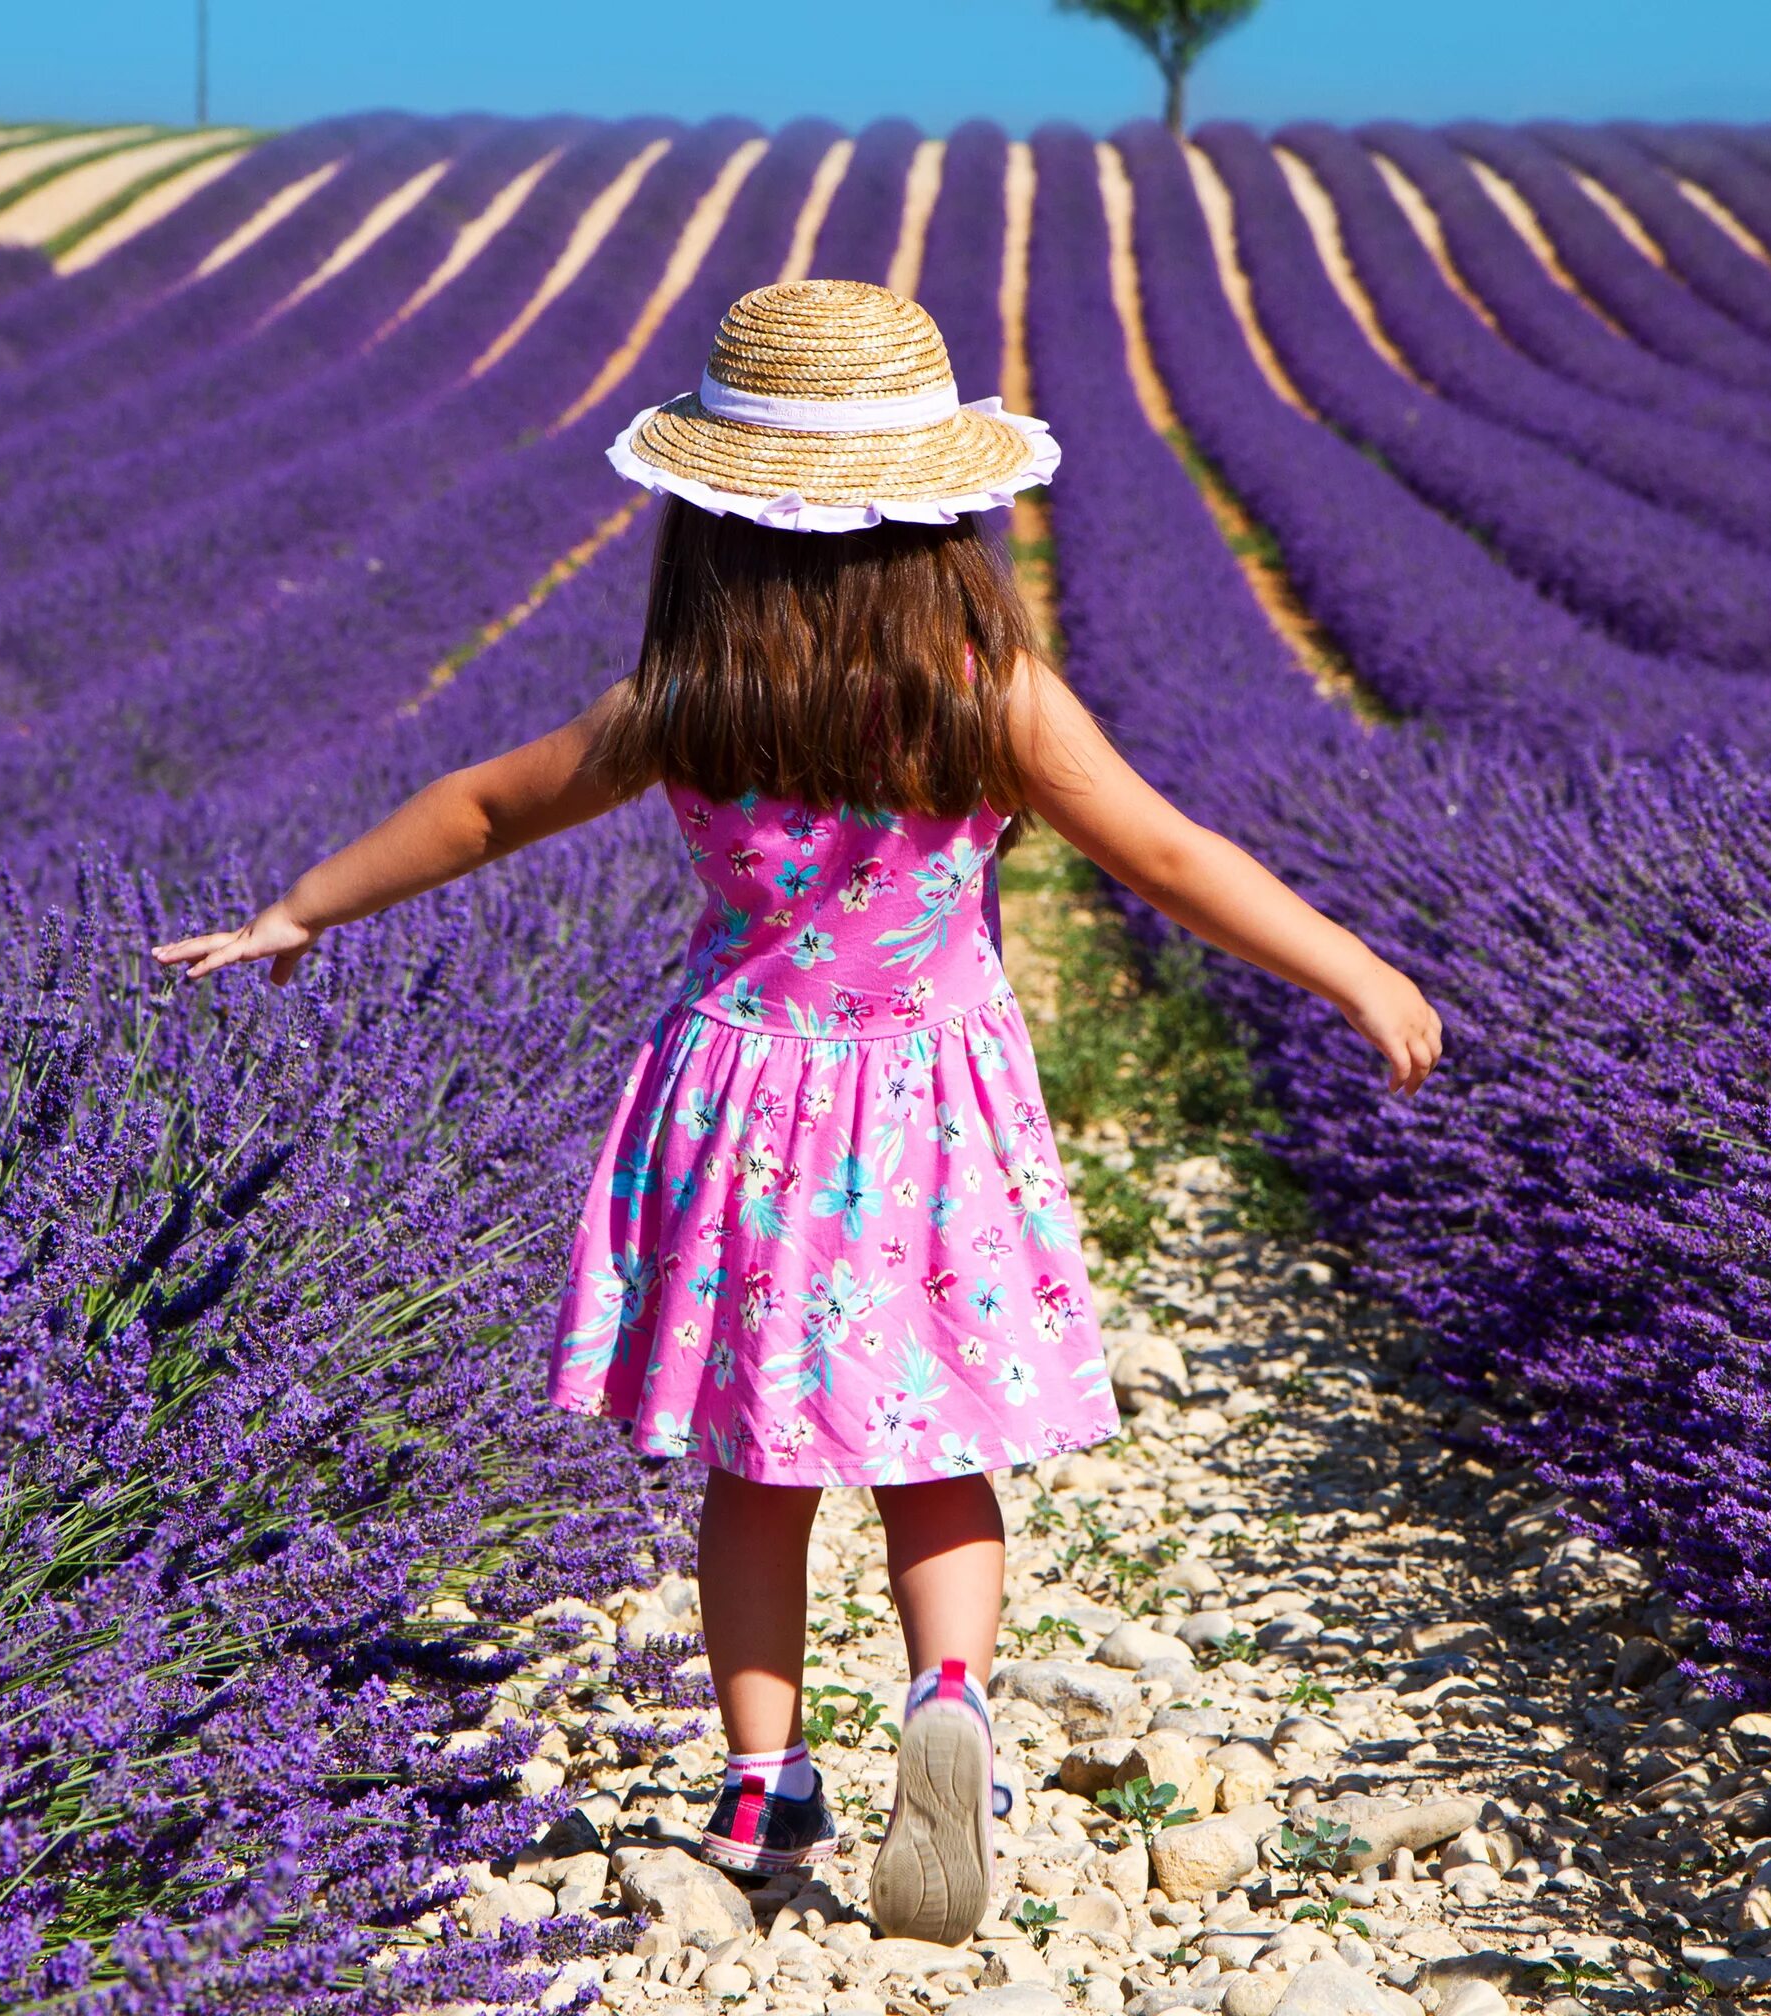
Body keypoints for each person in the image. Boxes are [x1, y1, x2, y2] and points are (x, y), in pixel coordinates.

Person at [153, 278, 1441, 1945]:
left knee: (756, 1470)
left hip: (746, 1113)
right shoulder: (987, 694)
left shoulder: (687, 703)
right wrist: (1352, 971)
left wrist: (302, 910)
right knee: (941, 1445)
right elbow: (1169, 854)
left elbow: (478, 810)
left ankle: (762, 1780)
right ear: (941, 519)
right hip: (931, 1108)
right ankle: (951, 1700)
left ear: (712, 521)